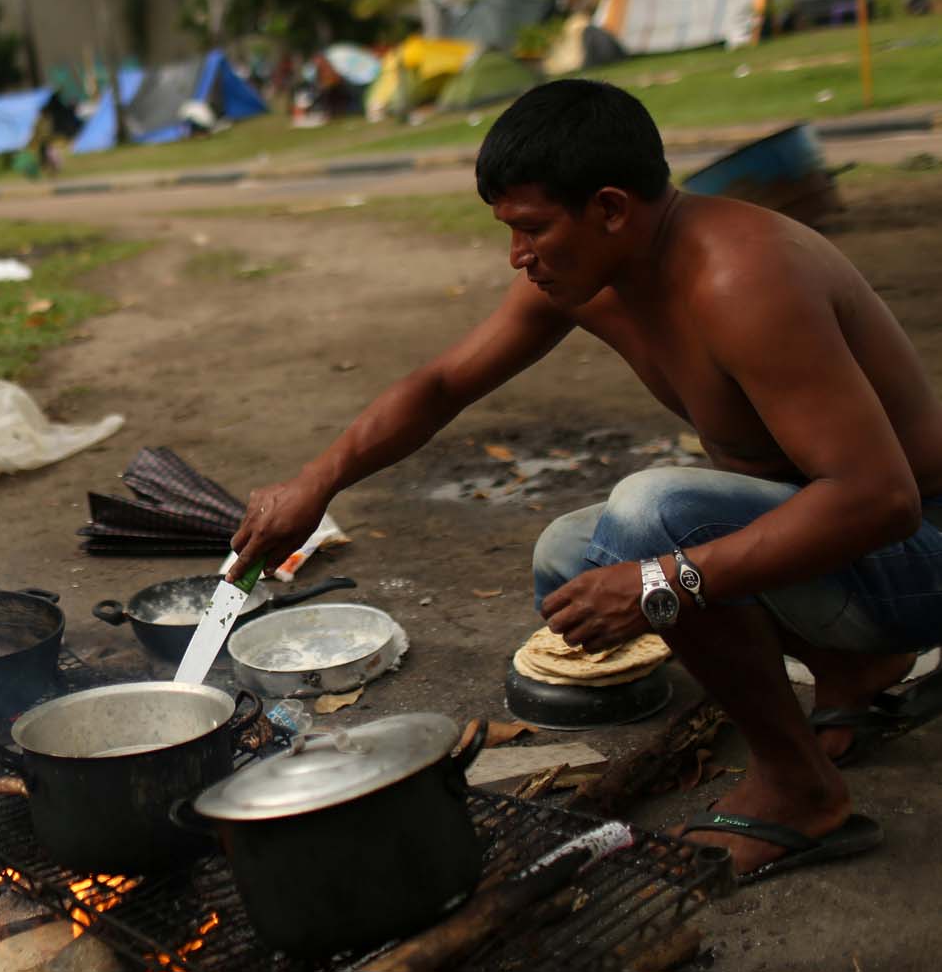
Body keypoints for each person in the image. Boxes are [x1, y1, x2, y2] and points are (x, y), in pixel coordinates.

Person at [229, 80, 942, 883]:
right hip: (844, 559)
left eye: (532, 229)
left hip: (918, 554)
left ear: (608, 208)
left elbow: (881, 499)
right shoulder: (594, 275)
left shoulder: (742, 278)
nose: (516, 256)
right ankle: (853, 669)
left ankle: (803, 791)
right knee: (573, 553)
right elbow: (442, 386)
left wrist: (660, 583)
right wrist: (314, 485)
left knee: (649, 518)